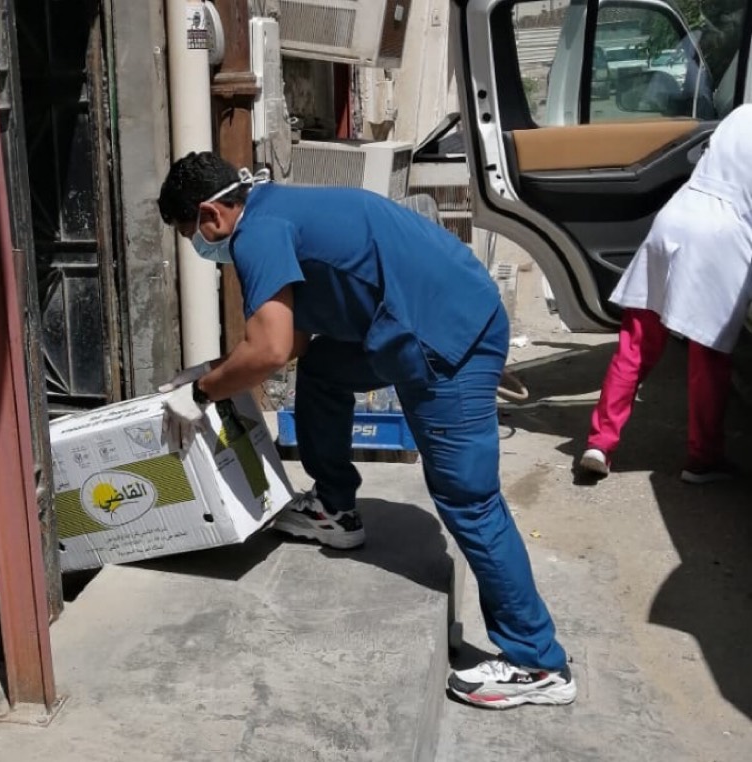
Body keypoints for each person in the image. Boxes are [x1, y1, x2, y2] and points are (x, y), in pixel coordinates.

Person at [156, 152, 575, 709]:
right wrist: (208, 372)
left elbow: (270, 350)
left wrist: (201, 394)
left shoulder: (256, 236)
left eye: (190, 233)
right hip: (428, 316)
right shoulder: (278, 209)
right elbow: (294, 341)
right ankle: (335, 509)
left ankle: (537, 661)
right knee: (325, 370)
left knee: (469, 500)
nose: (198, 247)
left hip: (446, 339)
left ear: (211, 215)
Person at [578, 104, 752, 483]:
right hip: (722, 234)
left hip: (676, 217)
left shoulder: (741, 114)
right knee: (708, 354)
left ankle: (600, 444)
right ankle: (703, 459)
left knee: (635, 345)